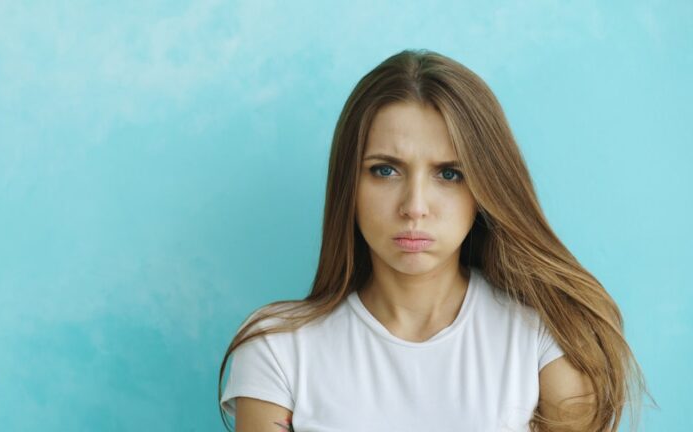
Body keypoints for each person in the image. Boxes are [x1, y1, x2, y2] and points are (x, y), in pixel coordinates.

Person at [217, 49, 654, 432]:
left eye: (448, 174)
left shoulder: (545, 339)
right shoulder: (277, 348)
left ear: (484, 188)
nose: (414, 206)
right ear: (348, 184)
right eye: (385, 170)